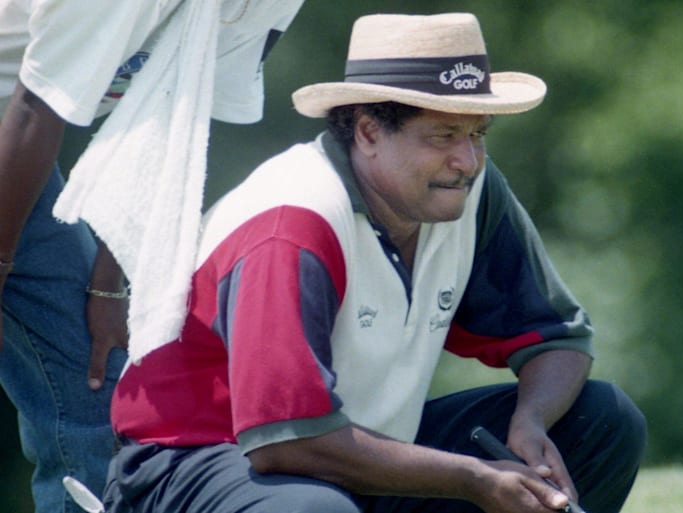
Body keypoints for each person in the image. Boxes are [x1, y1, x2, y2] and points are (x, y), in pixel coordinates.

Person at [105, 12, 647, 513]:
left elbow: (556, 338)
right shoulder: (290, 224)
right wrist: (473, 478)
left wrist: (530, 422)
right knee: (314, 510)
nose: (468, 159)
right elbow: (286, 442)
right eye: (443, 135)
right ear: (367, 131)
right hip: (197, 461)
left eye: (478, 132)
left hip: (342, 449)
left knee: (603, 420)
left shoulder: (471, 190)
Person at [0, 1, 305, 511]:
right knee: (91, 399)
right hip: (22, 123)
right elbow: (37, 106)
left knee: (99, 394)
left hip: (22, 136)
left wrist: (108, 280)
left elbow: (164, 108)